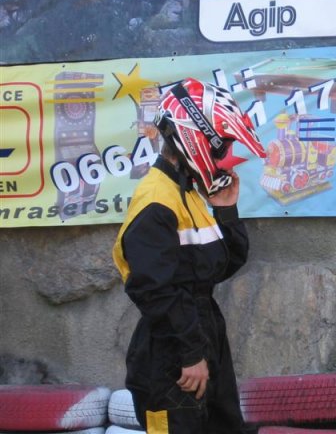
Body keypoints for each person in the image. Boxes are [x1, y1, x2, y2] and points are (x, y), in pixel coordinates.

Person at [112, 77, 266, 433]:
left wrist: (226, 211)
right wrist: (190, 354)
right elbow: (153, 290)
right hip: (171, 352)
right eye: (221, 146)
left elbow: (221, 266)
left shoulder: (187, 192)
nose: (225, 156)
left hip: (203, 330)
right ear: (194, 139)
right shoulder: (156, 201)